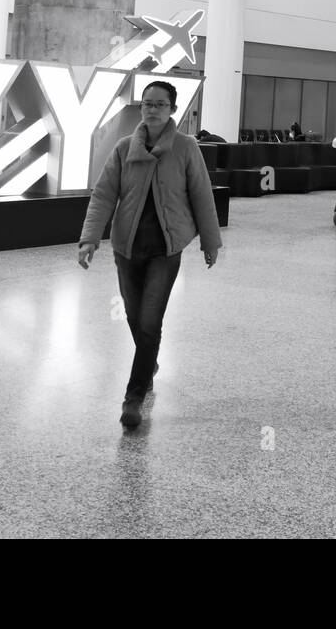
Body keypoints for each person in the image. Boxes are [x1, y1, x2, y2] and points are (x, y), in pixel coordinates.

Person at [78, 80, 222, 429]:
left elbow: (202, 194)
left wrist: (210, 241)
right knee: (132, 315)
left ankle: (134, 397)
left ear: (173, 109)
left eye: (159, 104)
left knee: (149, 321)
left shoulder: (187, 148)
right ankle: (149, 360)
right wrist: (90, 239)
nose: (152, 109)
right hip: (126, 247)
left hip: (165, 250)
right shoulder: (124, 148)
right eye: (146, 104)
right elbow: (103, 195)